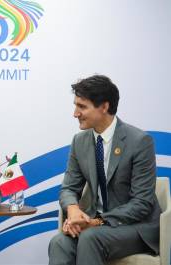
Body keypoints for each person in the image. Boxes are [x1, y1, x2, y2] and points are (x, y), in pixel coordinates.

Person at [48, 75, 161, 265]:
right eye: (75, 106)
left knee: (91, 238)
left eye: (82, 106)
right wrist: (74, 211)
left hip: (135, 227)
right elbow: (68, 188)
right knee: (59, 242)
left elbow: (142, 203)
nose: (75, 113)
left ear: (104, 107)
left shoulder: (140, 141)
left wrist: (97, 222)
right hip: (95, 226)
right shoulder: (79, 141)